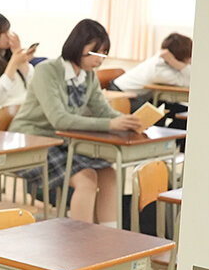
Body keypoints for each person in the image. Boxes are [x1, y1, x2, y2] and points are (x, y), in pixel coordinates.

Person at [8, 19, 140, 224]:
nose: (99, 59)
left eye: (104, 53)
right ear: (78, 46)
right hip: (31, 141)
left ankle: (109, 236)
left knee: (109, 174)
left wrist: (126, 121)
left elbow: (102, 110)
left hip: (62, 141)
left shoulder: (88, 76)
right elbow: (59, 119)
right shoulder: (47, 71)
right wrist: (110, 125)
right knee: (86, 179)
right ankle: (79, 239)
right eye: (95, 52)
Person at [109, 32, 193, 112]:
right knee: (157, 116)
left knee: (177, 109)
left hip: (134, 95)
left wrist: (175, 62)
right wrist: (176, 63)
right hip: (121, 95)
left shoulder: (164, 61)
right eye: (189, 56)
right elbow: (189, 82)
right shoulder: (158, 70)